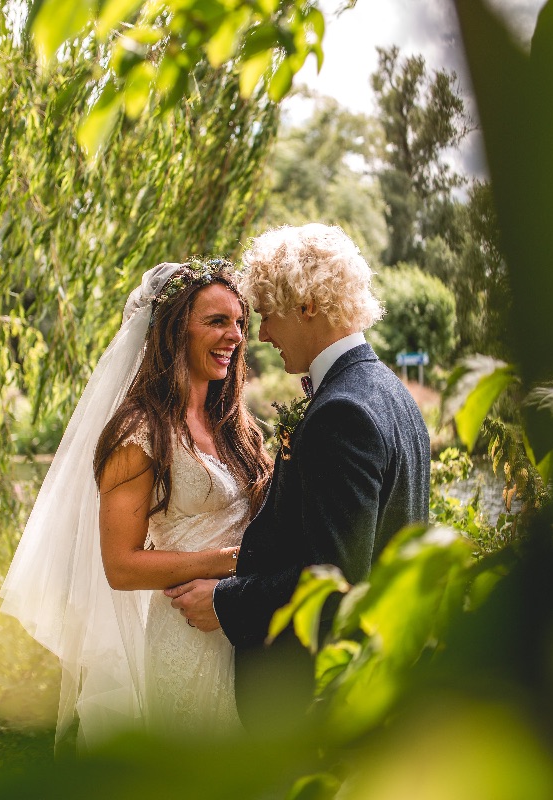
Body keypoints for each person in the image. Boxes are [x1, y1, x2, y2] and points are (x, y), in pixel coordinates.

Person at [164, 223, 432, 731]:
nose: (261, 336)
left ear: (307, 305)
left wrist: (226, 601)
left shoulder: (342, 412)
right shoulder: (391, 393)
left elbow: (335, 577)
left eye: (268, 315)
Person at [0, 258, 271, 749]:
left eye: (239, 322)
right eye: (216, 321)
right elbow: (121, 566)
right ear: (173, 331)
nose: (234, 335)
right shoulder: (138, 431)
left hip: (245, 629)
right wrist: (232, 562)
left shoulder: (233, 424)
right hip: (189, 634)